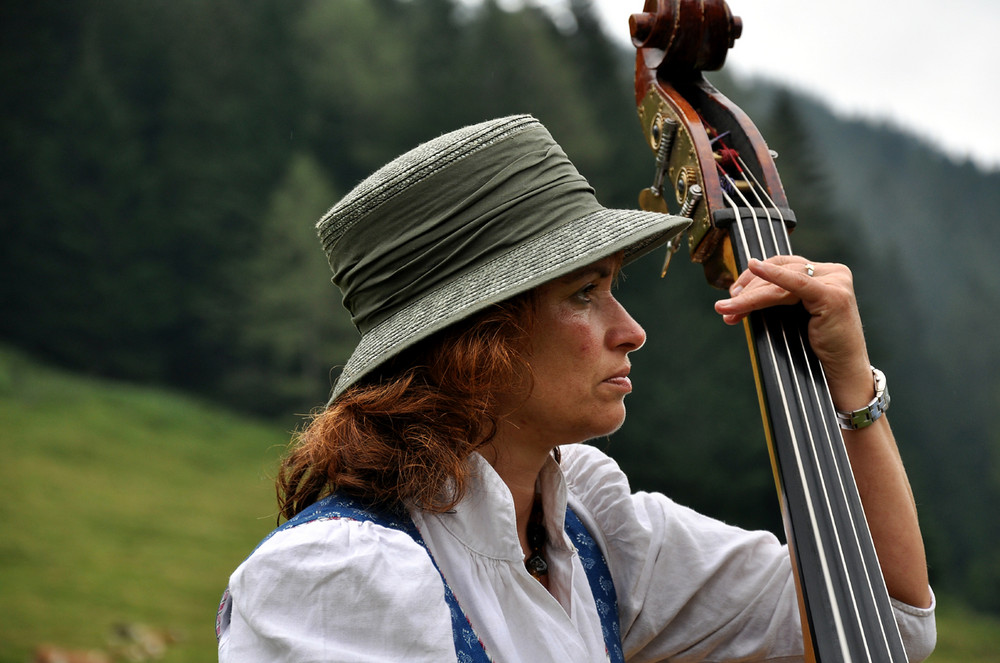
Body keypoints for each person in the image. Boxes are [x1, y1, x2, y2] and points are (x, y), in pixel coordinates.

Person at [216, 115, 935, 662]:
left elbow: (889, 619)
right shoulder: (336, 578)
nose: (632, 330)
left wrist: (846, 381)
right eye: (585, 293)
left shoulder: (590, 519)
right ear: (478, 342)